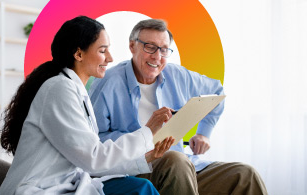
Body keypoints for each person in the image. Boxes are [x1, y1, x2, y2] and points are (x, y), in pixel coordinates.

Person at [0, 16, 175, 195]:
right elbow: (94, 158)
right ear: (79, 54)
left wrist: (145, 159)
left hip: (66, 183)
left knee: (141, 187)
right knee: (141, 190)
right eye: (103, 51)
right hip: (39, 189)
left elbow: (90, 162)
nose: (110, 58)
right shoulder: (59, 89)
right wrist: (148, 131)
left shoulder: (76, 90)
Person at [89, 19, 268, 195]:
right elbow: (95, 142)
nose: (157, 57)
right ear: (132, 46)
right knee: (176, 161)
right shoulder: (107, 83)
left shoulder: (177, 75)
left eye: (164, 50)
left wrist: (204, 133)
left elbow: (216, 92)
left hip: (183, 167)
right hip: (136, 167)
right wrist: (145, 138)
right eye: (150, 47)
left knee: (245, 176)